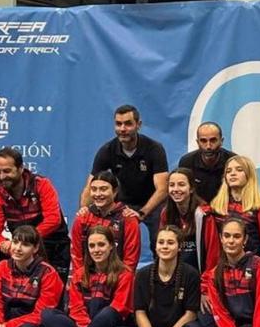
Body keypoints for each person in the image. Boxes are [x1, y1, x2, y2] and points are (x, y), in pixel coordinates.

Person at [43, 225, 134, 327]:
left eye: (101, 244)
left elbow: (120, 309)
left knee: (108, 312)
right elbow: (76, 309)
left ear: (111, 246)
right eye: (92, 246)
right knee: (48, 315)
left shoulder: (125, 274)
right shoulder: (79, 275)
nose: (96, 250)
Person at [109, 226, 201, 327]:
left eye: (170, 243)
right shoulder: (142, 274)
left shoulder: (191, 274)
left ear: (179, 247)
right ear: (156, 246)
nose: (165, 246)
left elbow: (191, 314)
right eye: (161, 242)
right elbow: (140, 312)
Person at [83, 105, 168, 252]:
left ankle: (160, 265)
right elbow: (90, 186)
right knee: (110, 241)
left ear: (138, 125)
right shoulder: (107, 150)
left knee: (160, 240)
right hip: (123, 203)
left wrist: (142, 213)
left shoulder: (154, 149)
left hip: (153, 203)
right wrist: (84, 215)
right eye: (118, 124)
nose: (122, 129)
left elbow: (163, 189)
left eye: (128, 124)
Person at [0, 147, 71, 288]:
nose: (2, 176)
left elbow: (53, 220)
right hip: (21, 249)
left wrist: (26, 241)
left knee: (54, 299)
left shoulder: (41, 185)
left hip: (52, 245)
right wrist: (4, 244)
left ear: (20, 169)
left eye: (7, 171)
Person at [206, 155, 260, 273]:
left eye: (239, 170)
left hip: (252, 272)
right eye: (229, 171)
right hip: (223, 272)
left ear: (249, 175)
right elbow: (211, 248)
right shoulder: (216, 208)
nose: (233, 174)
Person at [71, 171, 141, 272]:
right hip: (88, 278)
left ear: (115, 191)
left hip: (118, 278)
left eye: (103, 189)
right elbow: (77, 255)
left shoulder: (128, 219)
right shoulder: (82, 218)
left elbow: (130, 261)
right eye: (94, 189)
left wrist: (123, 279)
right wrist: (81, 278)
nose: (98, 194)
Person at [160, 168, 213, 271]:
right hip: (175, 273)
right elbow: (162, 246)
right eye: (172, 185)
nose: (175, 189)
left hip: (200, 274)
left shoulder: (204, 215)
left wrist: (207, 278)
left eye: (181, 184)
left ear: (191, 188)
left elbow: (212, 252)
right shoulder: (166, 214)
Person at [178, 122, 237, 203]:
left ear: (221, 141)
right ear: (197, 142)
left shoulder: (233, 161)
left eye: (213, 140)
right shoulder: (187, 162)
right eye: (203, 141)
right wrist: (203, 207)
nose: (208, 146)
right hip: (197, 207)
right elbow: (184, 190)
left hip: (227, 206)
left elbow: (239, 190)